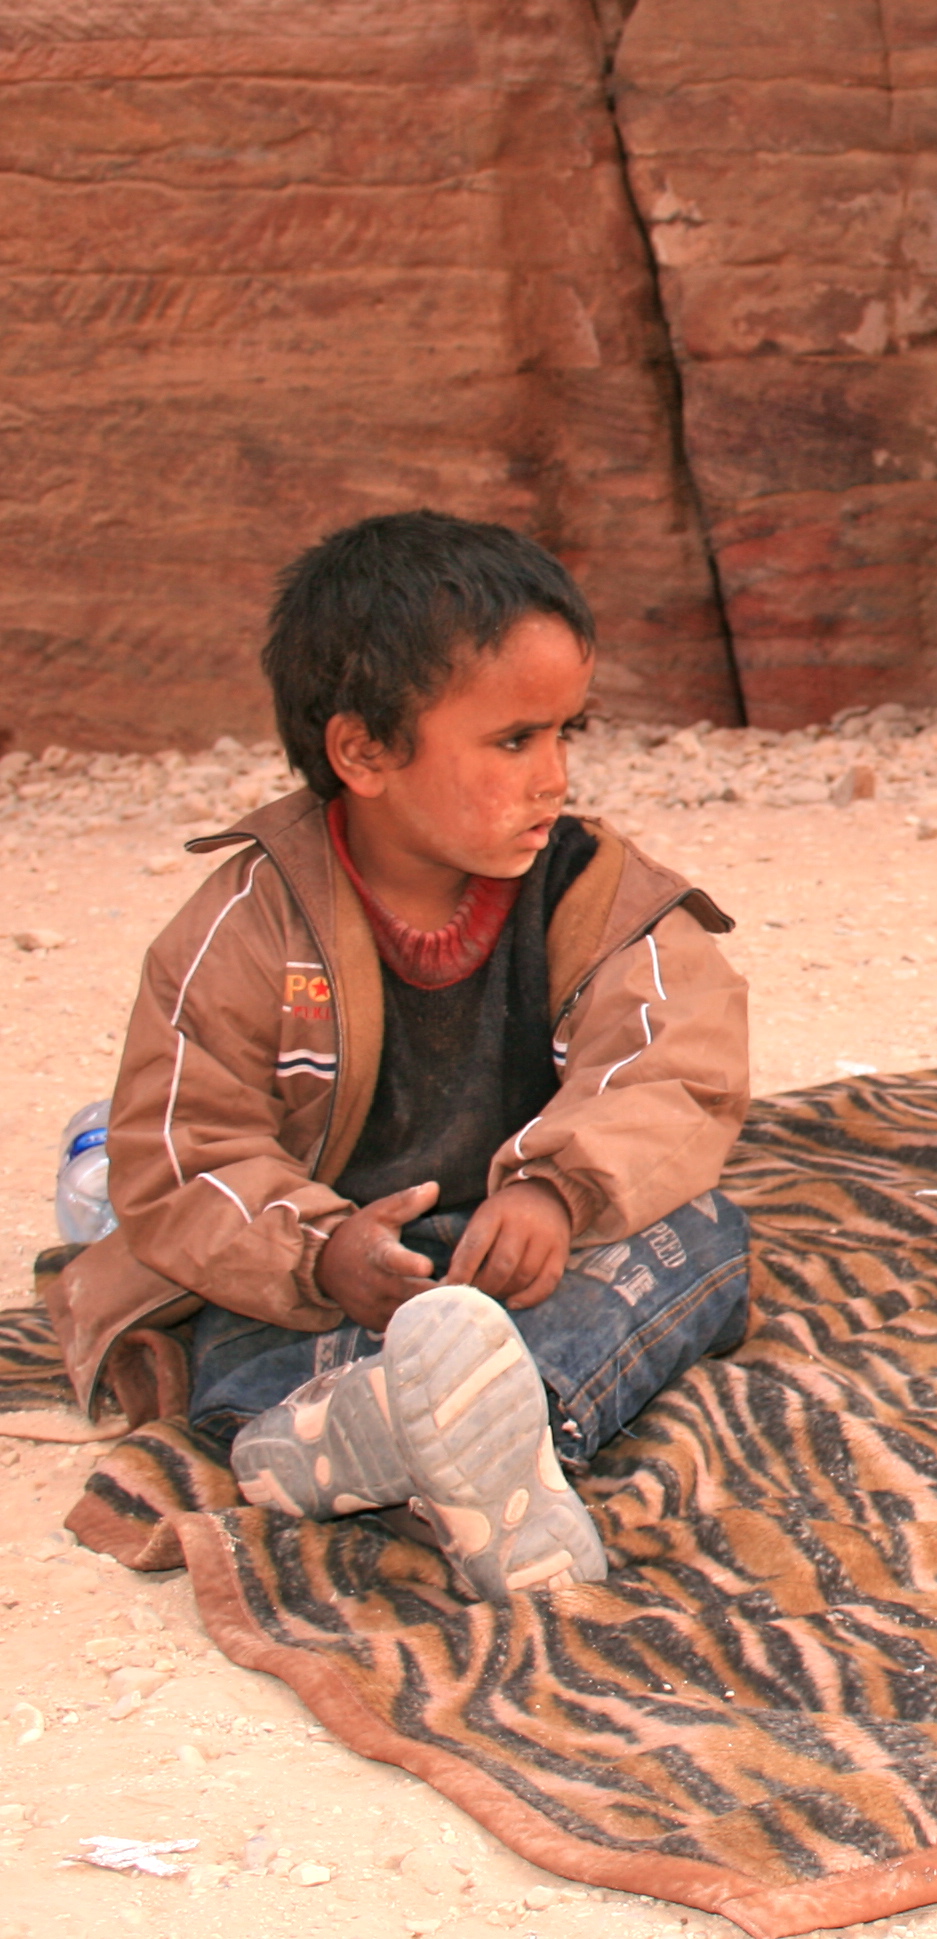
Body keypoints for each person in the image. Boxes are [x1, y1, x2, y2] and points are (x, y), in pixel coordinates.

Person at [46, 512, 753, 1597]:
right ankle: (376, 1431)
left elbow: (672, 1067)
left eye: (571, 730)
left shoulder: (592, 889)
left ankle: (459, 1435)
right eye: (514, 740)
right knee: (234, 1332)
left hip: (516, 1253)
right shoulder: (245, 925)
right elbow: (180, 1154)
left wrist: (561, 1194)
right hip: (325, 1277)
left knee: (703, 1236)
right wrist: (321, 1252)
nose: (555, 775)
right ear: (363, 751)